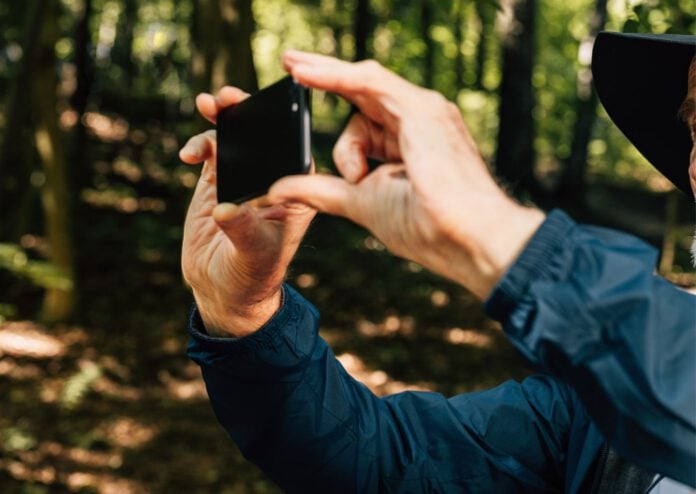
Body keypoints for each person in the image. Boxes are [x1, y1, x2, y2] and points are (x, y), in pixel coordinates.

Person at [179, 32, 696, 492]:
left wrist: (495, 231)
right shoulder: (604, 395)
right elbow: (382, 461)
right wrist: (245, 312)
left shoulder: (639, 359)